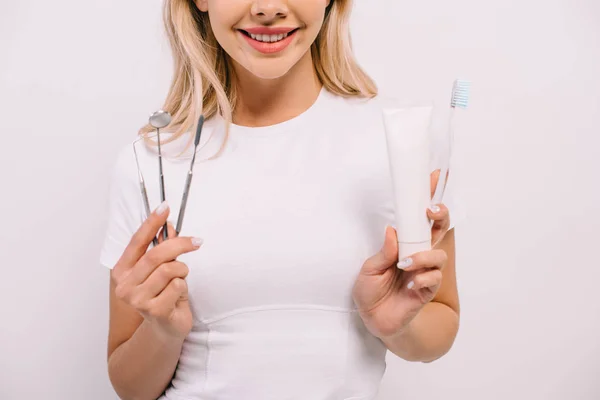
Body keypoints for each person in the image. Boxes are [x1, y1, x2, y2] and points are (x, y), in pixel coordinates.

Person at [99, 0, 463, 399]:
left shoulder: (399, 141)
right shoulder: (152, 161)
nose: (269, 8)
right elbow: (130, 387)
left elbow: (440, 326)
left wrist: (395, 325)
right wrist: (163, 331)